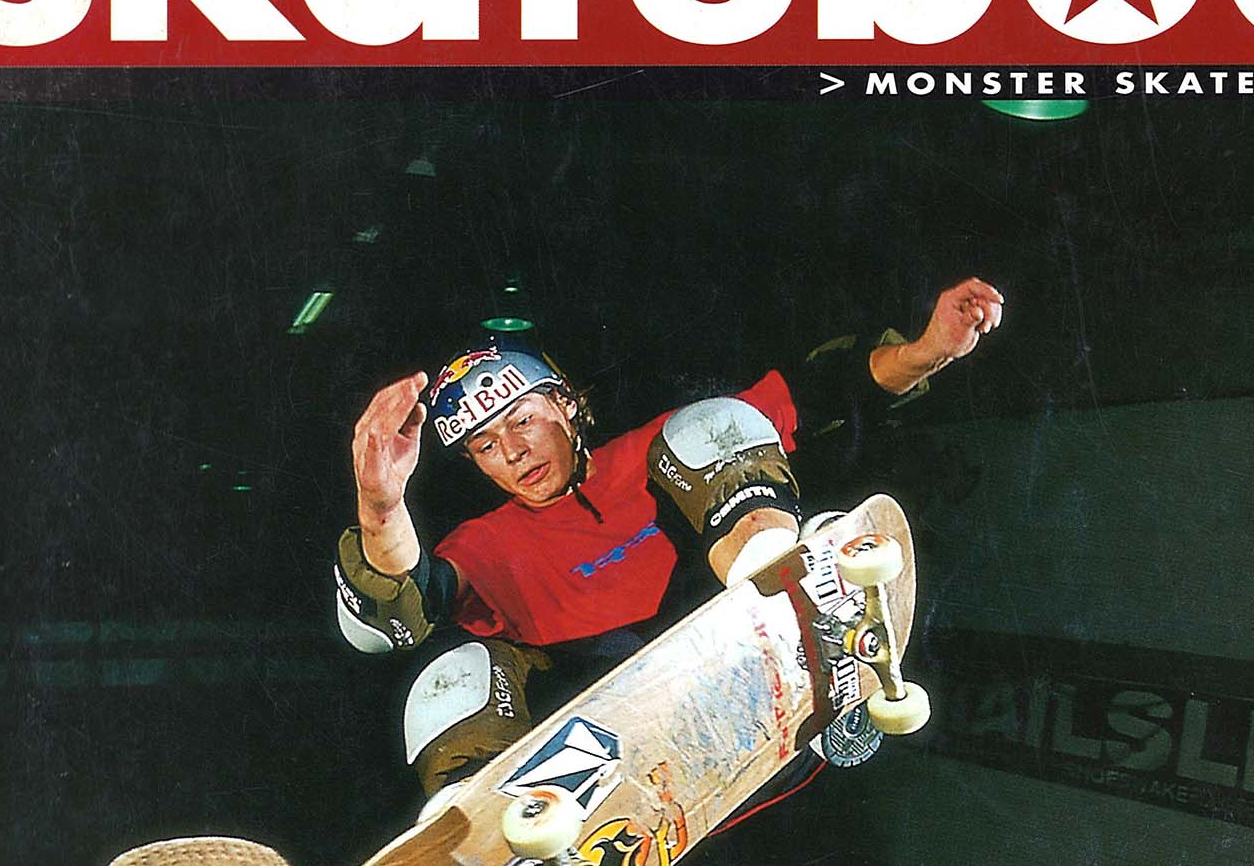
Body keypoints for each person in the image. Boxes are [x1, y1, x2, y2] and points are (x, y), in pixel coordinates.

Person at [333, 277, 1004, 810]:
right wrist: (381, 505)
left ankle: (787, 599)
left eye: (522, 421)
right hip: (599, 723)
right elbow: (399, 609)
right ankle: (478, 828)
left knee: (711, 424)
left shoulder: (646, 452)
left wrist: (928, 350)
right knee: (449, 674)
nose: (512, 452)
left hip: (724, 641)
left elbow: (824, 392)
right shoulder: (486, 544)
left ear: (563, 404)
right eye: (485, 446)